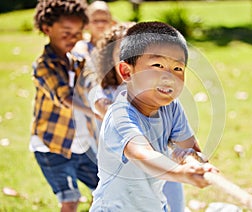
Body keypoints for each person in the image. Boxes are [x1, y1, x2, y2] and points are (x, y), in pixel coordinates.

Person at [89, 21, 218, 212]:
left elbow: (190, 149)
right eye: (157, 65)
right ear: (126, 71)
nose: (170, 77)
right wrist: (181, 172)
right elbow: (143, 155)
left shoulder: (171, 108)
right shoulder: (120, 114)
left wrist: (194, 161)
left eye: (178, 69)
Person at [31, 1, 99, 211]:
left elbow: (95, 80)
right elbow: (64, 97)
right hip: (53, 147)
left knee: (106, 187)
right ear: (47, 28)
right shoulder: (44, 65)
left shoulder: (78, 61)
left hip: (81, 146)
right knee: (70, 200)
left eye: (78, 32)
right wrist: (97, 111)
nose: (73, 37)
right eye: (67, 32)